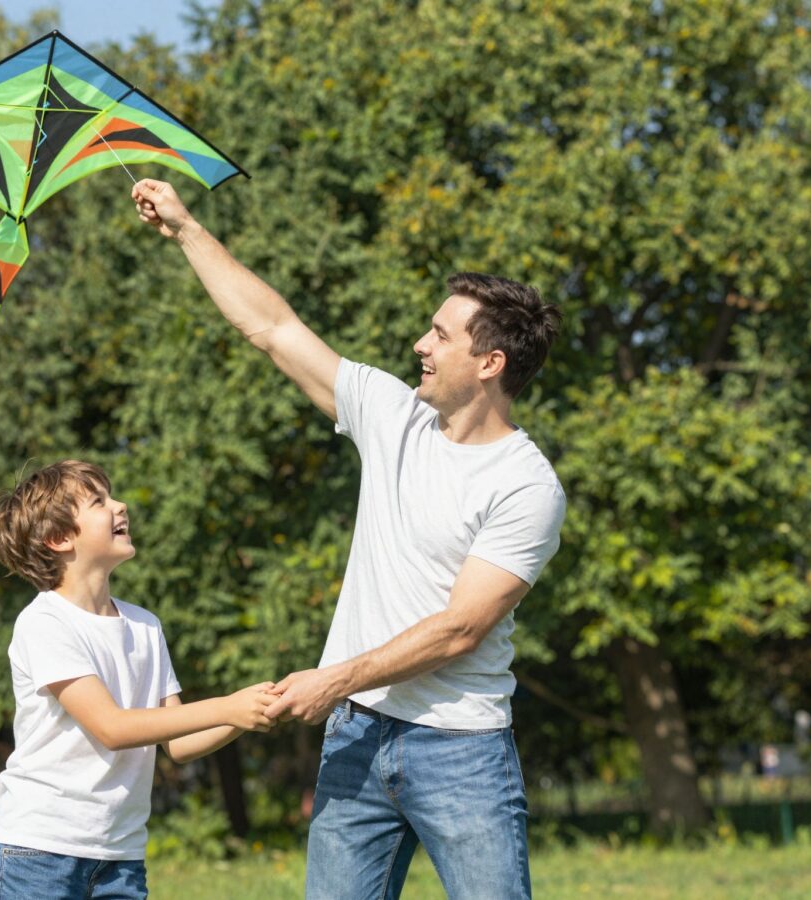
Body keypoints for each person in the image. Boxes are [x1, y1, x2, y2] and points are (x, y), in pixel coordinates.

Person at [131, 180, 566, 899]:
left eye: (440, 336)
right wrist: (184, 229)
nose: (419, 344)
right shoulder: (394, 416)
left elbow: (459, 629)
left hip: (459, 747)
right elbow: (272, 327)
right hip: (357, 739)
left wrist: (334, 680)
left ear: (490, 364)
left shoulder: (525, 486)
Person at [0, 459, 276, 900]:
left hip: (120, 858)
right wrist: (227, 705)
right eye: (99, 501)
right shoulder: (44, 622)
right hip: (39, 854)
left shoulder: (144, 626)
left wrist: (254, 711)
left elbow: (178, 742)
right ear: (59, 538)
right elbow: (113, 728)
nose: (120, 506)